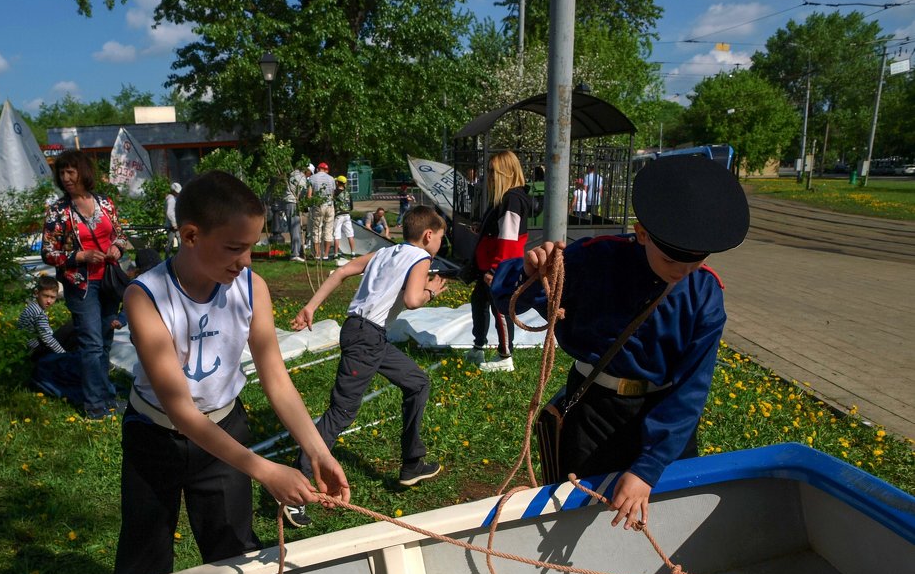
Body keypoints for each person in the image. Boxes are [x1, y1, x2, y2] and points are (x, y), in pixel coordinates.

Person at [113, 171, 350, 574]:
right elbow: (182, 412)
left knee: (234, 549)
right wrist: (266, 470)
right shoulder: (145, 296)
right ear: (190, 236)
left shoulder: (251, 287)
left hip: (225, 424)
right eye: (234, 248)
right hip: (155, 436)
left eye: (252, 248)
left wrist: (316, 449)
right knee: (143, 560)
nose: (245, 262)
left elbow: (275, 377)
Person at [491, 154, 750, 529]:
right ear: (642, 233)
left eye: (695, 262)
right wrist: (530, 272)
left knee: (664, 512)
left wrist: (647, 469)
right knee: (580, 508)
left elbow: (690, 390)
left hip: (663, 413)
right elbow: (509, 296)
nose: (683, 272)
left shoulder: (705, 295)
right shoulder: (595, 259)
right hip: (594, 409)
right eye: (672, 260)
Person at [284, 205, 447, 528]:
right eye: (441, 237)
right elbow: (413, 300)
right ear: (429, 235)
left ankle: (412, 463)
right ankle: (293, 490)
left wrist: (311, 307)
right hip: (367, 337)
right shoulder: (421, 258)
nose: (440, 243)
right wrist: (430, 289)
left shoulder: (387, 252)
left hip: (363, 333)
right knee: (341, 412)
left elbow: (342, 271)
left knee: (417, 382)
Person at [41, 150, 132, 420]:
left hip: (108, 280)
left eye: (71, 172)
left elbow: (120, 234)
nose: (66, 178)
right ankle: (94, 406)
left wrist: (117, 247)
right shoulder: (58, 211)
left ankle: (106, 396)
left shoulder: (105, 203)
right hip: (80, 285)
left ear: (84, 172)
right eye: (62, 173)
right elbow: (48, 252)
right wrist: (80, 256)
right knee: (91, 343)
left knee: (104, 341)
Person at [467, 150, 532, 374]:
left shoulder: (512, 199)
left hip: (499, 268)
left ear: (505, 172)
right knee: (479, 303)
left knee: (500, 311)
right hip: (490, 266)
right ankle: (479, 346)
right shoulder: (504, 199)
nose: (489, 177)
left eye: (493, 172)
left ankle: (506, 355)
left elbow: (509, 239)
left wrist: (496, 270)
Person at [18, 275, 83, 404]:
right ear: (37, 293)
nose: (49, 301)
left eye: (52, 297)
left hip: (30, 346)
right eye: (45, 296)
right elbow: (47, 339)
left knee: (71, 326)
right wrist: (63, 354)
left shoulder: (32, 306)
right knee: (73, 326)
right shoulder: (39, 314)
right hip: (35, 350)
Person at [308, 161, 336, 261]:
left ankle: (317, 254)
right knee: (328, 231)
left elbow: (309, 196)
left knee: (317, 231)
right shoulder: (331, 179)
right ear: (326, 170)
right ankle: (326, 255)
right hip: (329, 206)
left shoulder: (312, 178)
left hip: (318, 206)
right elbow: (332, 195)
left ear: (317, 169)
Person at [284, 163, 309, 262]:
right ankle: (295, 254)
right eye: (309, 173)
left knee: (294, 229)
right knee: (295, 229)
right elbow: (302, 192)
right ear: (307, 170)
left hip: (289, 202)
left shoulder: (293, 174)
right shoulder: (300, 177)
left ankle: (296, 252)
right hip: (293, 203)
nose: (309, 176)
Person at [332, 174, 355, 261]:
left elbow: (333, 204)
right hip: (347, 215)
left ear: (337, 182)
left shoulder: (334, 192)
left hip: (339, 215)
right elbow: (351, 206)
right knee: (350, 234)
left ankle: (335, 254)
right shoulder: (348, 193)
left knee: (337, 234)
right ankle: (353, 253)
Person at [165, 182, 182, 256]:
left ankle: (167, 257)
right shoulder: (171, 199)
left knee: (172, 242)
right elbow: (169, 212)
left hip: (172, 224)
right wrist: (174, 223)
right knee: (175, 242)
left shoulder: (170, 198)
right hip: (173, 225)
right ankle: (168, 258)